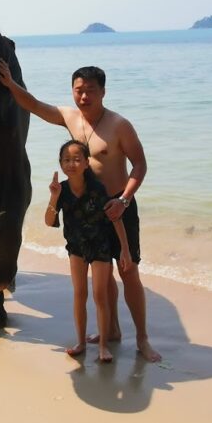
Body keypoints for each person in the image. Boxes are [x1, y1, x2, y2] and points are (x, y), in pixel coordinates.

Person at [0, 60, 162, 362]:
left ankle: (142, 339)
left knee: (128, 270)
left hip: (118, 205)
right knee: (104, 273)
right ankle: (111, 332)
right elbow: (32, 105)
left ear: (103, 92)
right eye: (79, 91)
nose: (84, 97)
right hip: (88, 211)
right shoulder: (70, 117)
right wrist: (9, 83)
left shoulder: (119, 125)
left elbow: (140, 165)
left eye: (91, 91)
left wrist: (124, 199)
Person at [47, 141, 133, 363]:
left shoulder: (97, 188)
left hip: (100, 246)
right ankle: (81, 342)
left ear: (86, 163)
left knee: (99, 296)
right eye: (66, 159)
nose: (71, 163)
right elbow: (49, 221)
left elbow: (115, 219)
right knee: (79, 294)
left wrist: (125, 250)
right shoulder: (62, 190)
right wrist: (54, 196)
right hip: (76, 247)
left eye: (77, 159)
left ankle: (104, 345)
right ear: (61, 164)